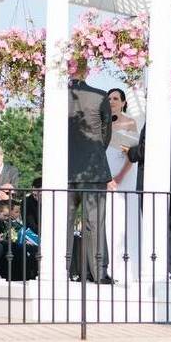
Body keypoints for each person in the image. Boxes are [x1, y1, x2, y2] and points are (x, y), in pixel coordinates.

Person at [123, 102, 171, 282]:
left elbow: (148, 148)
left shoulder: (158, 114)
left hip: (155, 178)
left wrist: (131, 152)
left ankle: (159, 269)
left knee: (153, 223)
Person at [67, 60, 115, 284]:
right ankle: (98, 272)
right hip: (93, 169)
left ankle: (61, 269)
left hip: (64, 169)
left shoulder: (57, 96)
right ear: (87, 70)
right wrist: (96, 152)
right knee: (94, 222)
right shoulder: (99, 96)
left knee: (63, 222)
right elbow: (106, 133)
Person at [105, 88, 141, 283]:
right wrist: (106, 178)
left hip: (124, 174)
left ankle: (131, 268)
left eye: (116, 98)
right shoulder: (102, 122)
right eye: (109, 98)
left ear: (124, 102)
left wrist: (119, 177)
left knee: (127, 222)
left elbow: (133, 154)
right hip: (106, 176)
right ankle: (112, 268)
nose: (112, 102)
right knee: (111, 222)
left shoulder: (130, 122)